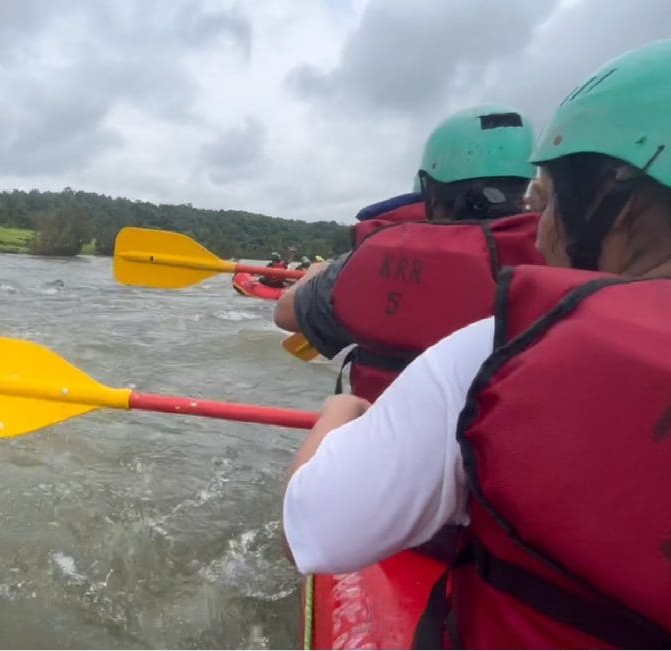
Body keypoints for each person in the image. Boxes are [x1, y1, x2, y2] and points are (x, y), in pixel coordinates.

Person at [283, 39, 671, 648]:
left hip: (401, 515)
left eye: (549, 200)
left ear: (615, 204)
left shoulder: (506, 345)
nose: (537, 230)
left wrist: (337, 415)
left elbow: (310, 528)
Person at [275, 104, 541, 401]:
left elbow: (285, 313)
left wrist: (313, 275)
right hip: (493, 444)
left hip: (382, 439)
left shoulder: (375, 257)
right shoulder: (563, 263)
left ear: (430, 191)